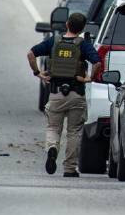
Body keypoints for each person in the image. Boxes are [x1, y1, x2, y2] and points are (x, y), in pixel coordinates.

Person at [27, 12, 101, 177]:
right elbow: (97, 63)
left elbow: (30, 54)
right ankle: (69, 168)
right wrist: (89, 78)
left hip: (56, 93)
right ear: (82, 28)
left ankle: (52, 147)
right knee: (74, 131)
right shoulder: (83, 45)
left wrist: (38, 73)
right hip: (76, 93)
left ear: (67, 24)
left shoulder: (54, 41)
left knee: (53, 127)